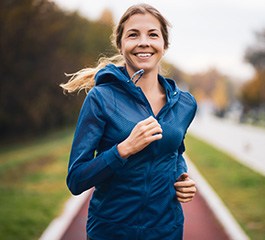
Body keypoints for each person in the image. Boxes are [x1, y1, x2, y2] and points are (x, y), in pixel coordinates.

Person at [60, 3, 197, 240]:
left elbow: (175, 153)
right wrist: (124, 149)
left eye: (152, 34)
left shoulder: (185, 104)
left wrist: (182, 178)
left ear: (164, 44)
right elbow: (76, 179)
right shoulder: (101, 98)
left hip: (167, 231)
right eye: (133, 34)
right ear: (121, 45)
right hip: (111, 232)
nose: (144, 42)